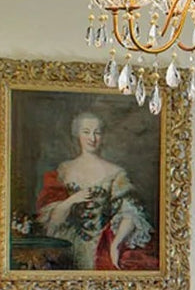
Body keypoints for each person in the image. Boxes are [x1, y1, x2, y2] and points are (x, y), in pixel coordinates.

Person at [35, 112, 155, 270]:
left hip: (99, 246)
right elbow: (53, 220)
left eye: (97, 132)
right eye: (86, 132)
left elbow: (130, 213)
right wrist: (72, 200)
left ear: (103, 136)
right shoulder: (64, 170)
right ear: (77, 134)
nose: (92, 138)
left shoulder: (115, 172)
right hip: (65, 247)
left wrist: (116, 244)